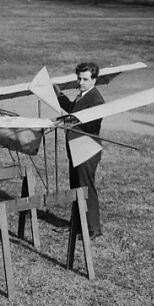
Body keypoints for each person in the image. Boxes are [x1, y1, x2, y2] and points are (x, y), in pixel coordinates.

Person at [55, 62, 105, 240]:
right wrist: (58, 95)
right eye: (79, 78)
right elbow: (73, 109)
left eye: (85, 79)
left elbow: (92, 125)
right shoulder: (82, 95)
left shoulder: (96, 99)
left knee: (86, 188)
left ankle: (93, 229)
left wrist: (73, 120)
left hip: (87, 149)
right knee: (76, 187)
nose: (80, 82)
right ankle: (76, 225)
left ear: (94, 80)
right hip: (76, 148)